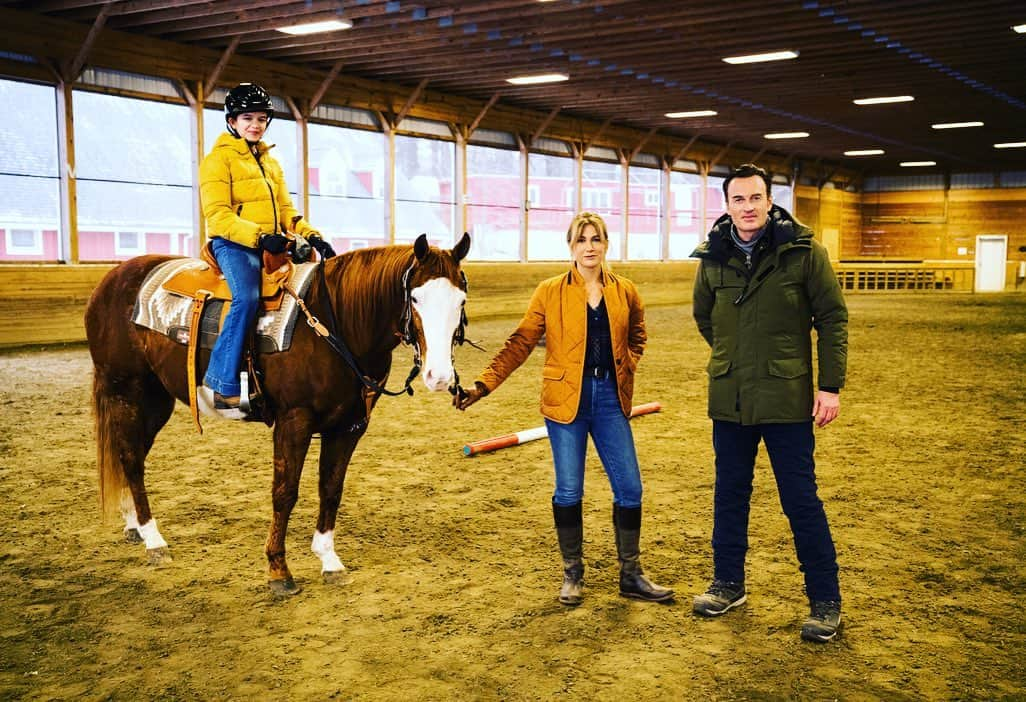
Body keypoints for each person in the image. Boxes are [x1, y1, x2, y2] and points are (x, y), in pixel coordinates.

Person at [455, 212, 673, 606]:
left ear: (606, 244)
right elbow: (520, 343)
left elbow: (638, 335)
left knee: (630, 488)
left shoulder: (625, 291)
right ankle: (573, 574)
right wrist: (483, 385)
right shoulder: (549, 291)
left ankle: (631, 574)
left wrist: (628, 365)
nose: (589, 247)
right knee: (569, 488)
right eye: (581, 240)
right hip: (564, 402)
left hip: (610, 398)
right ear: (570, 246)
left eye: (596, 239)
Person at [689, 163, 848, 642]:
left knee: (800, 500)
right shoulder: (713, 258)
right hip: (731, 399)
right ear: (727, 204)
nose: (748, 207)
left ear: (770, 200)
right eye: (738, 200)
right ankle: (728, 584)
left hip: (787, 398)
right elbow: (705, 318)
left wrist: (829, 385)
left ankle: (825, 601)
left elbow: (833, 319)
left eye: (755, 198)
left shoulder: (803, 252)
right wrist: (732, 359)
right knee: (729, 495)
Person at [198, 82, 332, 416]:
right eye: (248, 118)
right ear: (232, 121)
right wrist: (258, 238)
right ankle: (221, 383)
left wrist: (311, 235)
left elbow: (287, 211)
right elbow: (218, 215)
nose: (256, 125)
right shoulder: (217, 161)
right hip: (233, 243)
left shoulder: (270, 162)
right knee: (247, 298)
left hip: (271, 243)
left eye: (261, 118)